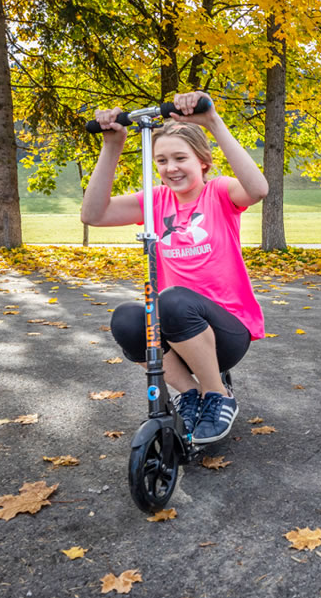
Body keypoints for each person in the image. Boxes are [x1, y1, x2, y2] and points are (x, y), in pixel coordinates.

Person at [81, 91, 268, 444]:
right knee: (127, 318)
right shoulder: (154, 201)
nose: (171, 168)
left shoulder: (219, 193)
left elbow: (257, 189)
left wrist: (212, 121)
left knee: (173, 301)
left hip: (227, 331)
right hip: (176, 329)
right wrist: (112, 144)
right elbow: (93, 215)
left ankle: (219, 395)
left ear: (203, 162)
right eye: (162, 160)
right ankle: (191, 394)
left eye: (180, 158)